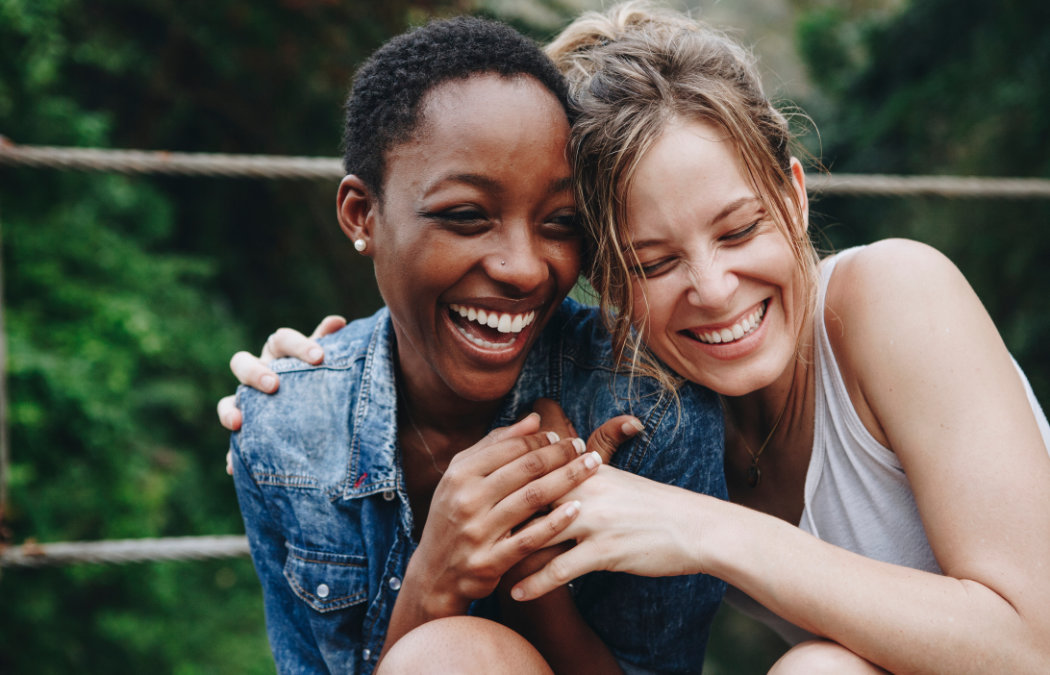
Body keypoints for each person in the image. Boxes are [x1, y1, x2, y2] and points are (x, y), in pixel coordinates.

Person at [232, 4, 1050, 673]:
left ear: (794, 198)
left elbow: (1032, 643)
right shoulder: (658, 400)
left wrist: (708, 528)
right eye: (654, 261)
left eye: (738, 230)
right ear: (605, 280)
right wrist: (320, 384)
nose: (714, 288)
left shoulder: (893, 295)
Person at [225, 15, 726, 675]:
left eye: (560, 222)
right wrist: (434, 578)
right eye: (466, 216)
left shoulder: (649, 407)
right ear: (361, 215)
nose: (523, 267)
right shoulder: (284, 430)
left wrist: (533, 571)